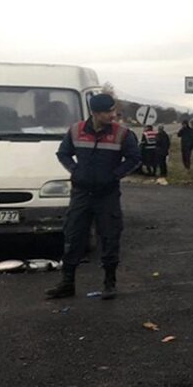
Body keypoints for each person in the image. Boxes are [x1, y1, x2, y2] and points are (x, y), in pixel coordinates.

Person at [46, 93, 141, 300]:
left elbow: (135, 158)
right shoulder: (76, 131)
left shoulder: (122, 133)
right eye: (108, 111)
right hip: (81, 194)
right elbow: (63, 153)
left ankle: (109, 283)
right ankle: (67, 283)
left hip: (107, 196)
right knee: (73, 237)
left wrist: (114, 175)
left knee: (109, 237)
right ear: (95, 113)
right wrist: (75, 170)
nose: (112, 115)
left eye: (113, 110)